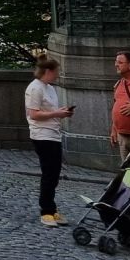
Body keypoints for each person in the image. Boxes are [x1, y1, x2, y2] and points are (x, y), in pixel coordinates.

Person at [25, 56, 74, 227]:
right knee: (49, 173)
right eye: (56, 71)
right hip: (42, 135)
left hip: (53, 133)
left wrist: (60, 112)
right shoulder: (35, 88)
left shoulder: (50, 89)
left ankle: (51, 208)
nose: (57, 75)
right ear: (48, 71)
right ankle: (46, 210)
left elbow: (48, 111)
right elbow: (34, 114)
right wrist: (57, 114)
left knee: (54, 174)